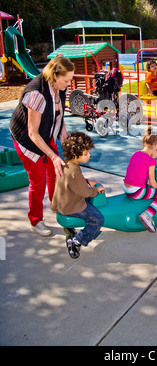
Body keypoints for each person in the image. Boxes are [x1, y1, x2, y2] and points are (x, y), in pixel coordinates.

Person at [10, 56, 75, 237]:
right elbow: (32, 133)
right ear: (54, 76)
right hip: (27, 139)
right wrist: (53, 156)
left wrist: (63, 133)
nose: (68, 83)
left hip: (45, 133)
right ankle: (36, 220)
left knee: (56, 172)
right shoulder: (36, 94)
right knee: (38, 180)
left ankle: (57, 206)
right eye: (66, 80)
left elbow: (59, 114)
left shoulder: (60, 86)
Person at [51, 132, 105, 259]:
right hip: (71, 207)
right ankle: (76, 241)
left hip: (63, 202)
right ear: (75, 155)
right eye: (86, 154)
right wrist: (97, 189)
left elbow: (73, 182)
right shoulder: (75, 171)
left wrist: (86, 181)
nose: (89, 155)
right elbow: (86, 192)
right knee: (97, 220)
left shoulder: (66, 163)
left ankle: (69, 228)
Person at [123, 126, 157, 233]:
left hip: (126, 188)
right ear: (156, 146)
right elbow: (153, 182)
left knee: (149, 188)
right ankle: (147, 215)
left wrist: (147, 182)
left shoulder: (135, 154)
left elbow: (135, 173)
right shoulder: (151, 161)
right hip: (135, 192)